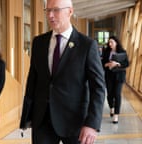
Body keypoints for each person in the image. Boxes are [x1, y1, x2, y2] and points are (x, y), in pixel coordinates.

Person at [20, 0, 105, 144]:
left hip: (75, 121)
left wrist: (92, 124)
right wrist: (27, 116)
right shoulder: (39, 43)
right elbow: (33, 81)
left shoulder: (87, 45)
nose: (51, 15)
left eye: (56, 10)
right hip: (42, 120)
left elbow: (98, 88)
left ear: (70, 11)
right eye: (48, 11)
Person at [102, 36, 129, 124]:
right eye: (109, 42)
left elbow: (126, 64)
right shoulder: (106, 52)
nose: (110, 44)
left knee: (117, 94)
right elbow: (101, 63)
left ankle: (116, 115)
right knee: (110, 94)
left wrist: (117, 64)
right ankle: (111, 108)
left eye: (111, 42)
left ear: (116, 42)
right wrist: (107, 64)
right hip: (109, 76)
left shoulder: (122, 52)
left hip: (119, 76)